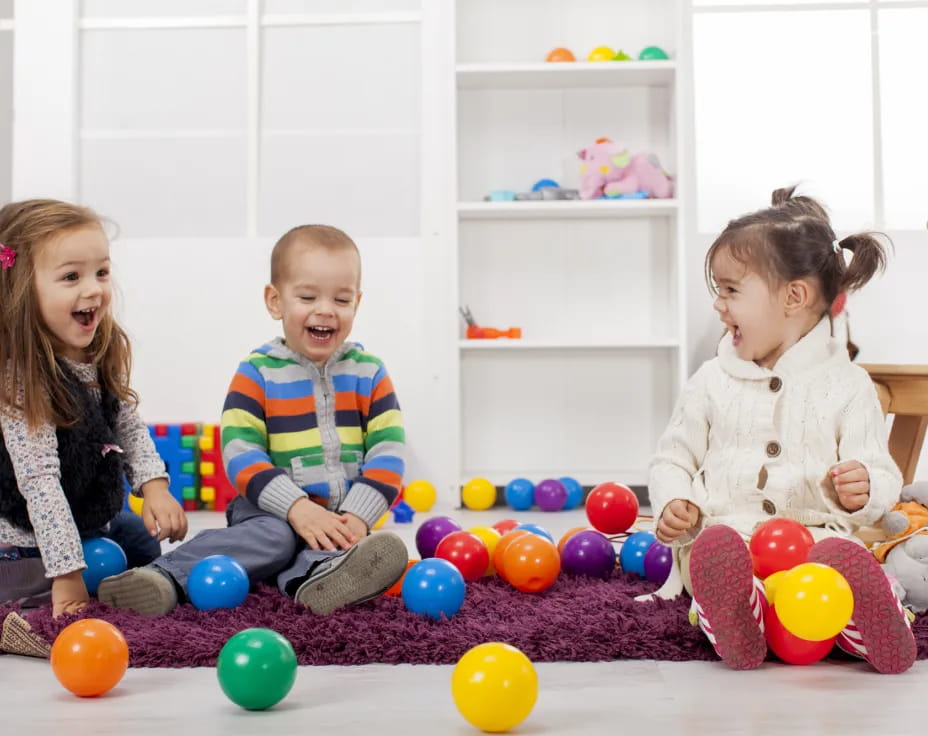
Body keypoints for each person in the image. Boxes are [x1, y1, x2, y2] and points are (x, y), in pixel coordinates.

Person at [647, 186, 916, 673]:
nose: (718, 305)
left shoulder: (850, 386)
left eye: (731, 290)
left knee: (834, 573)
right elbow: (674, 457)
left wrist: (864, 488)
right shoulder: (711, 380)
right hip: (728, 538)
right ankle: (737, 614)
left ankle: (868, 625)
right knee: (714, 562)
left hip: (816, 543)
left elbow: (881, 470)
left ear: (794, 297)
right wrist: (673, 503)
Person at [98, 224, 408, 616]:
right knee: (276, 539)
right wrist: (295, 506)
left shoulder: (370, 373)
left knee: (334, 543)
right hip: (267, 508)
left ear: (357, 304)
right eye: (308, 296)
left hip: (340, 510)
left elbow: (389, 450)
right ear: (275, 301)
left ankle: (318, 578)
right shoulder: (257, 373)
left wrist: (358, 516)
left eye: (342, 299)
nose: (326, 309)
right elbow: (240, 451)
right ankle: (163, 576)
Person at [0, 199, 188, 618]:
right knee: (30, 584)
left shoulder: (95, 352)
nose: (94, 289)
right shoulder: (19, 379)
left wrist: (153, 486)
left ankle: (130, 581)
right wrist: (66, 572)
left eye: (101, 272)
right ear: (21, 292)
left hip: (88, 517)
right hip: (24, 532)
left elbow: (126, 423)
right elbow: (39, 483)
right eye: (71, 276)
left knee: (141, 542)